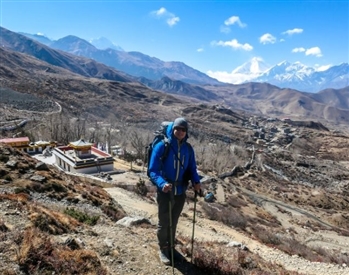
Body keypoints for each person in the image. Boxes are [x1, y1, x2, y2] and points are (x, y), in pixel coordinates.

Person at [148, 117, 201, 265]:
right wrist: (161, 183)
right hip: (165, 191)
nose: (180, 131)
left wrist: (196, 182)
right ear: (172, 129)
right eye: (177, 128)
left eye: (183, 129)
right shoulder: (162, 146)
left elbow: (192, 168)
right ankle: (163, 249)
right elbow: (153, 170)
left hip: (180, 191)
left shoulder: (188, 149)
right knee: (164, 222)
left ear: (187, 132)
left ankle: (171, 248)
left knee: (174, 221)